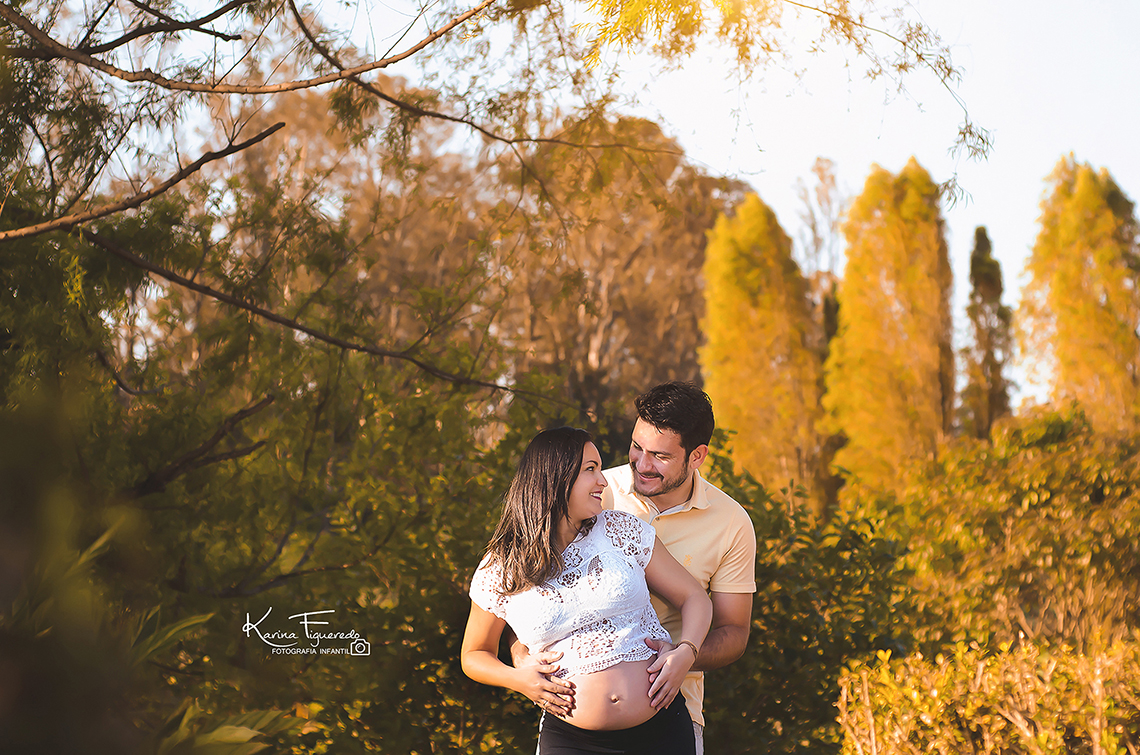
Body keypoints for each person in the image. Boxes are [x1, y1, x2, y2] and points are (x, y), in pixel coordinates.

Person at [515, 383, 757, 754]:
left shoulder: (731, 522)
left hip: (674, 711)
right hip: (574, 723)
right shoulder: (591, 490)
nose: (642, 465)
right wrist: (520, 659)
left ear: (697, 456)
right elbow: (527, 592)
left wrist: (683, 653)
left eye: (659, 456)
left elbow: (734, 631)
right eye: (637, 447)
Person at [461, 427, 713, 755]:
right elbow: (474, 654)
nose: (603, 481)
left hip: (662, 728)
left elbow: (695, 597)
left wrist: (686, 652)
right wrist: (518, 681)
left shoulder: (622, 529)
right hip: (570, 740)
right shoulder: (501, 566)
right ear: (555, 478)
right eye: (590, 469)